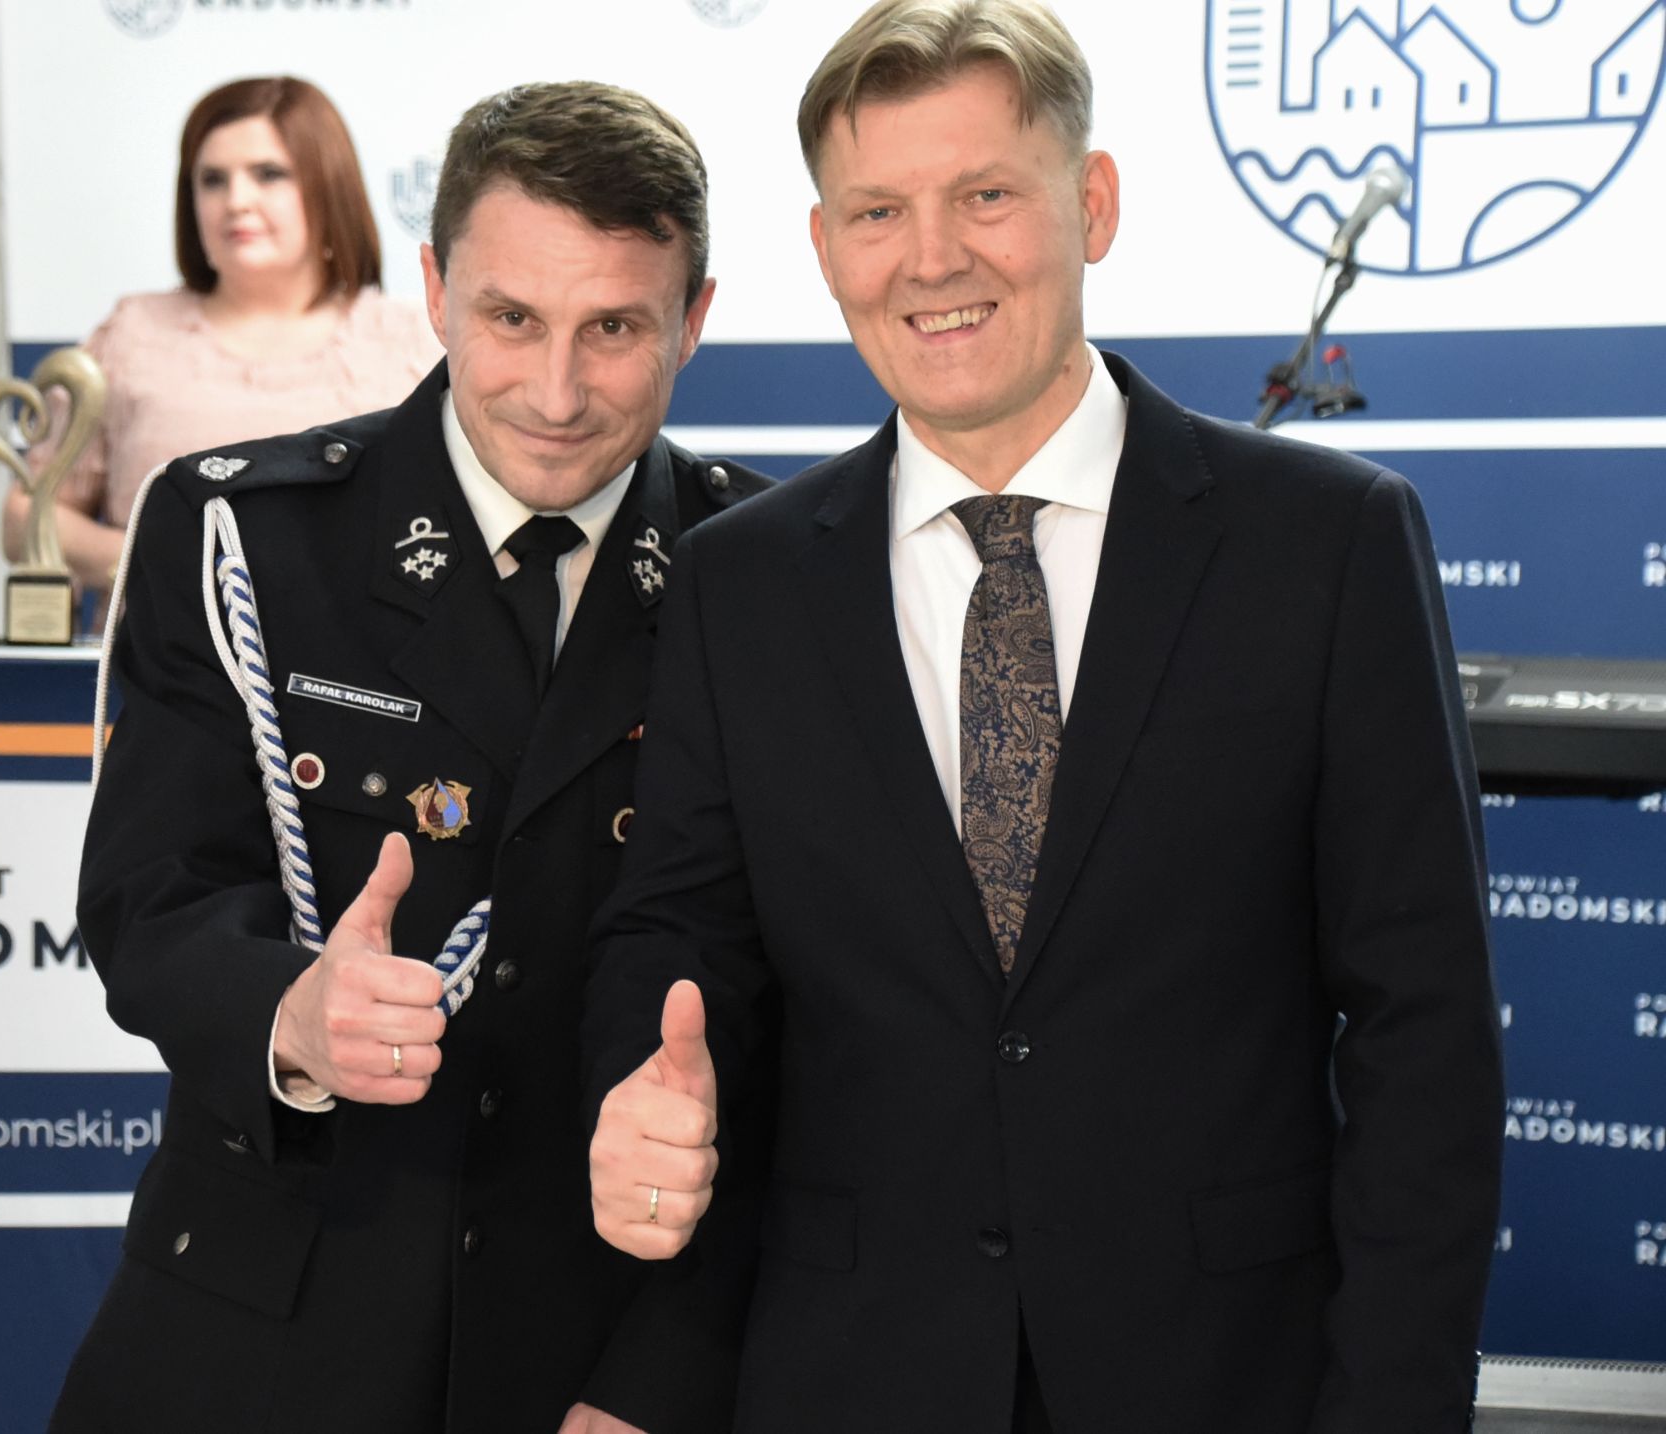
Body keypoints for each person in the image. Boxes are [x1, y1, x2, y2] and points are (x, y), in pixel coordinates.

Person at [582, 2, 1504, 1431]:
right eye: (878, 211)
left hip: (1225, 1381)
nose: (931, 258)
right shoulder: (738, 582)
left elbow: (1423, 1029)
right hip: (853, 1378)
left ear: (1095, 203)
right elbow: (681, 931)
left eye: (985, 196)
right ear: (824, 248)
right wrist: (642, 1074)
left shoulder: (1326, 545)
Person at [52, 82, 769, 1434]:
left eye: (615, 328)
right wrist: (292, 1012)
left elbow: (812, 1023)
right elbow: (150, 898)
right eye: (512, 318)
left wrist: (662, 1380)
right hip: (261, 1329)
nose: (555, 392)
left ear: (694, 318)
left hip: (600, 1351)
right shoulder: (241, 535)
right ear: (436, 289)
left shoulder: (768, 582)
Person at [1, 76, 441, 622]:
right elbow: (25, 517)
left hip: (362, 666)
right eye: (212, 179)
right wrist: (160, 565)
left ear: (329, 184)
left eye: (268, 174)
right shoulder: (133, 332)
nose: (236, 201)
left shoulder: (414, 340)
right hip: (157, 663)